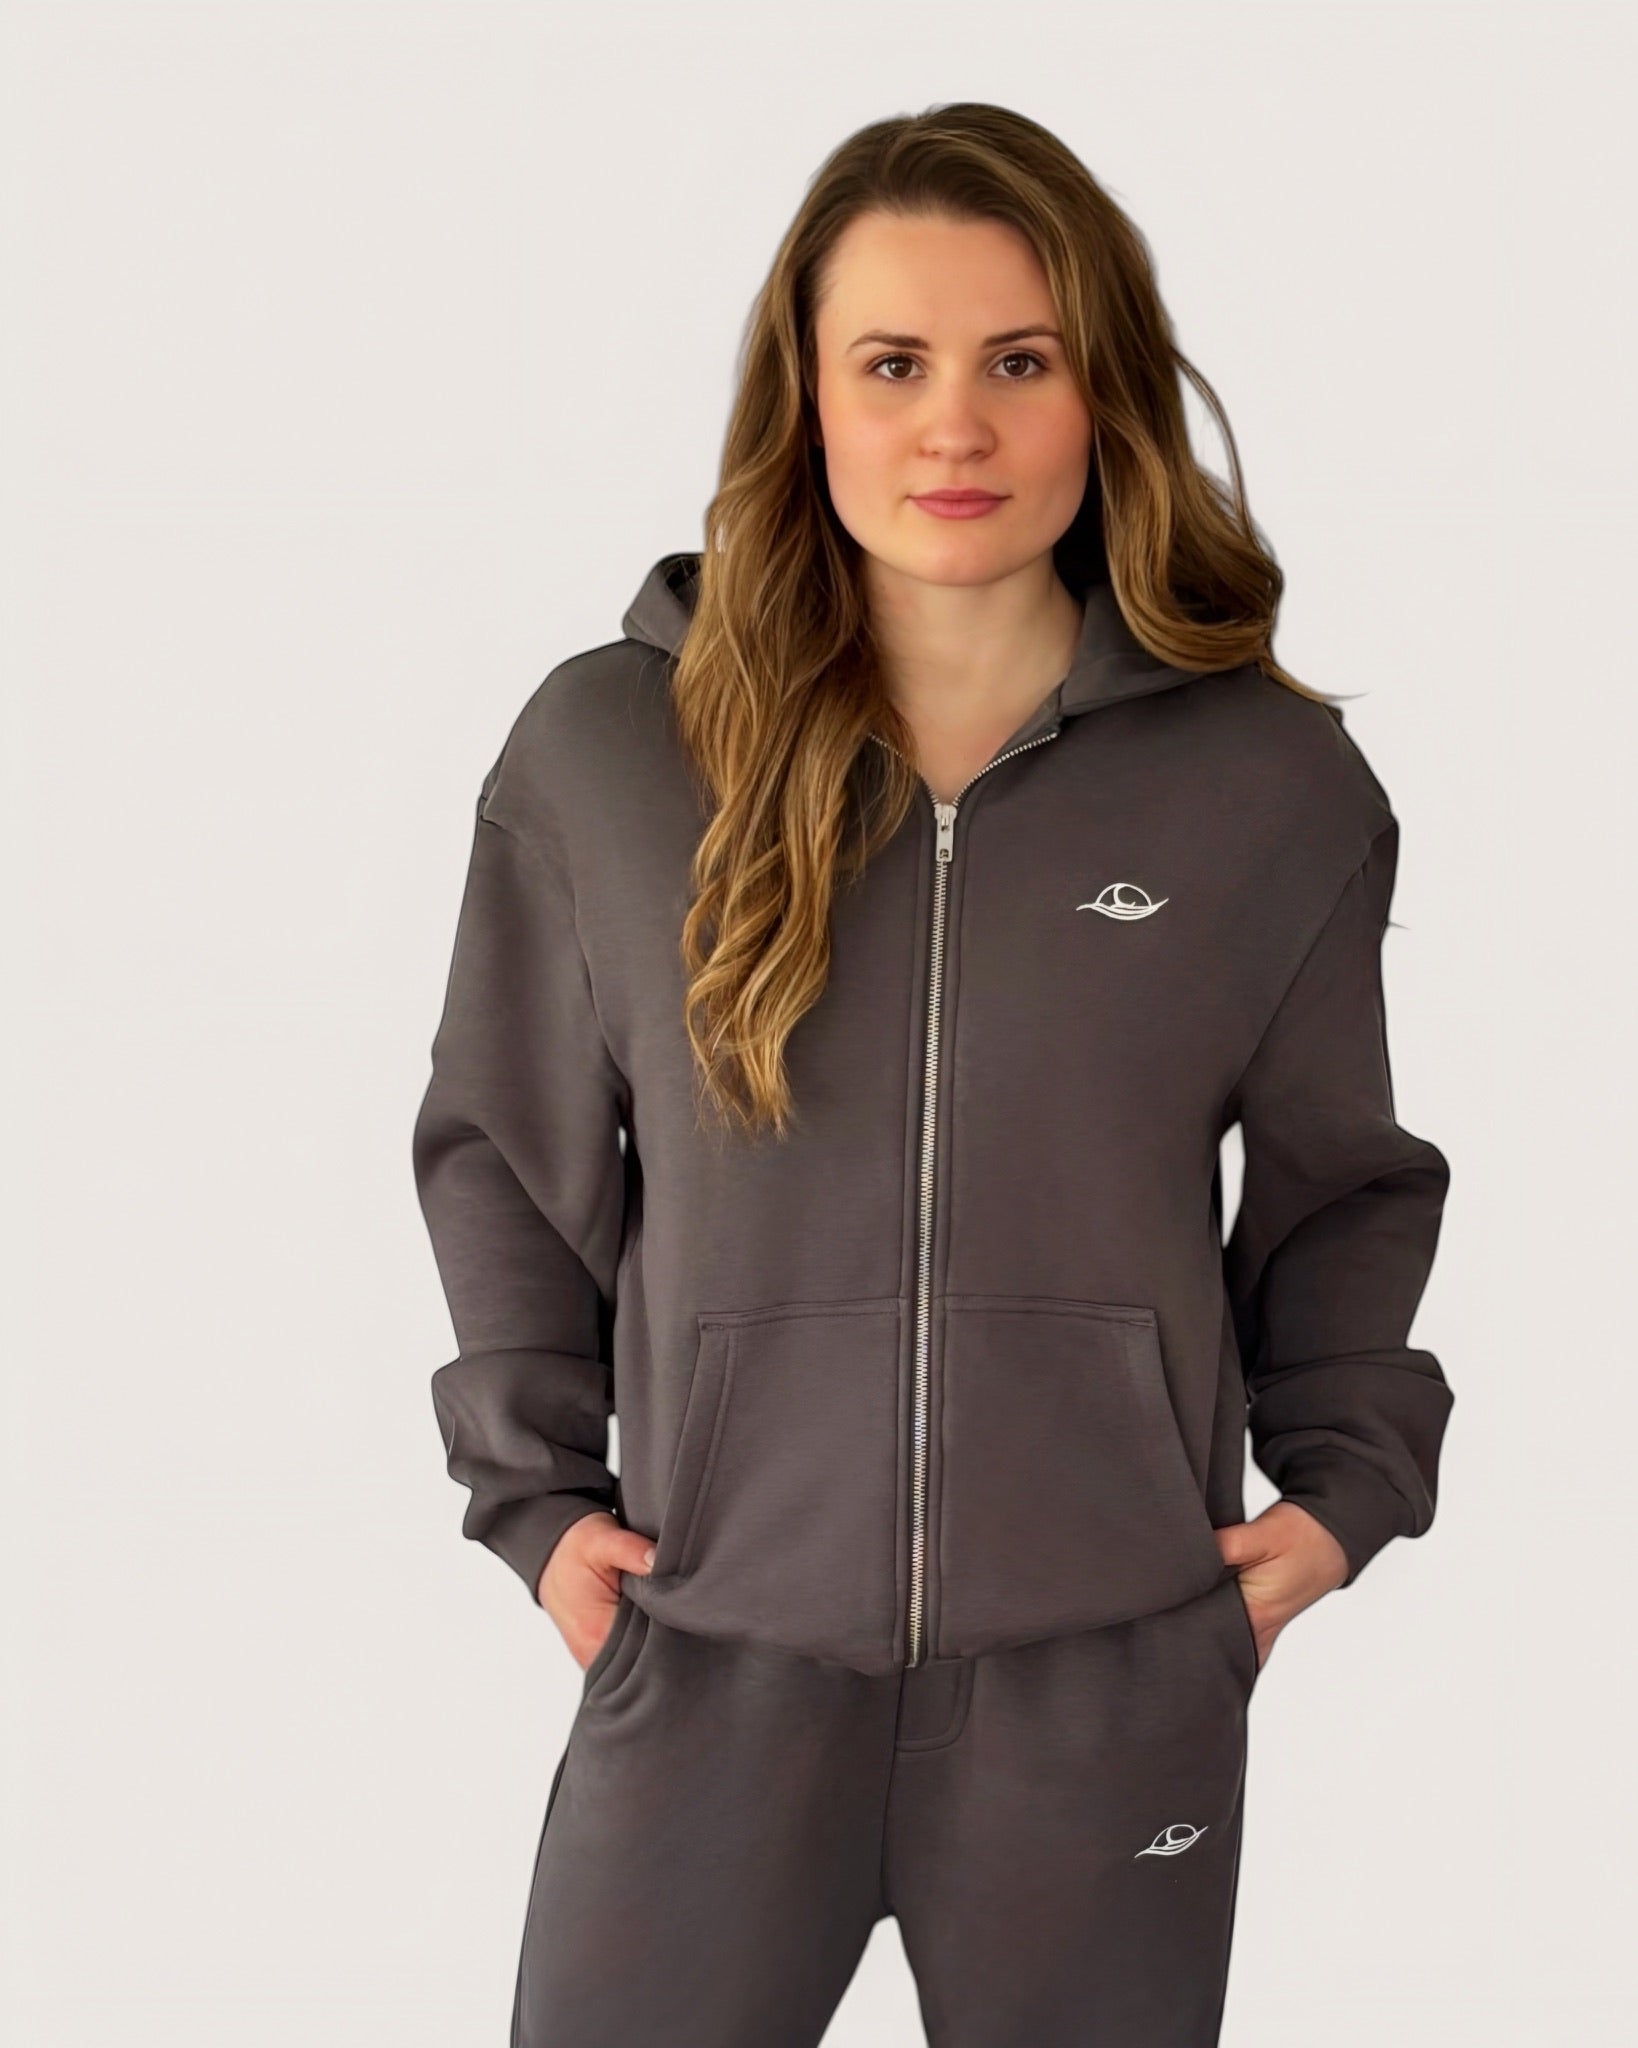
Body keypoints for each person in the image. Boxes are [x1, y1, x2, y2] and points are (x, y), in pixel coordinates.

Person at [411, 101, 1454, 2048]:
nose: (953, 427)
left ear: (1103, 394)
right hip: (708, 1659)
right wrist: (539, 1509)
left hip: (1109, 1682)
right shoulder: (613, 754)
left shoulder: (1266, 786)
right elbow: (501, 1150)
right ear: (804, 397)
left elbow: (1344, 1179)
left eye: (1018, 362)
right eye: (892, 363)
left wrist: (1343, 1491)